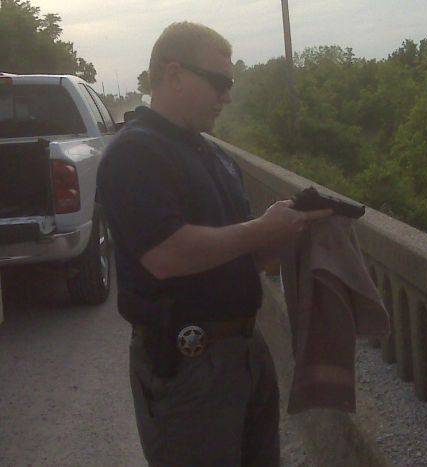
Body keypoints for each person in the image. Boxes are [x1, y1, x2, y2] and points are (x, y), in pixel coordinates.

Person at [97, 22, 332, 467]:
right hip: (187, 365)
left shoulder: (215, 155)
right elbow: (166, 255)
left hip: (244, 350)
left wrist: (287, 232)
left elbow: (249, 255)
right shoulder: (135, 153)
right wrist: (260, 229)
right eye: (220, 83)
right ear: (174, 74)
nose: (227, 96)